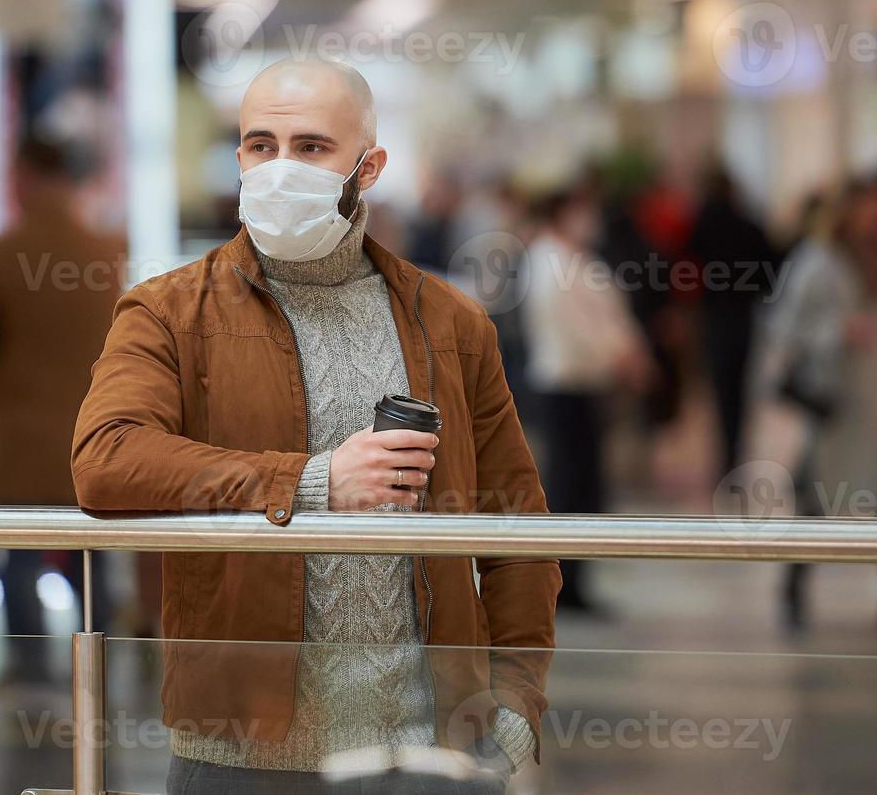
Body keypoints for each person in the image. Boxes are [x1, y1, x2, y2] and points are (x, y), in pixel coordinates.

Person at [73, 58, 559, 794]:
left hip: (426, 747)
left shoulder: (452, 324)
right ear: (238, 157)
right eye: (260, 146)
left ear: (368, 168)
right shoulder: (169, 311)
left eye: (310, 148)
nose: (279, 168)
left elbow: (518, 526)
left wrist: (518, 703)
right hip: (238, 749)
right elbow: (106, 459)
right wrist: (311, 480)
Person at [0, 139, 121, 682]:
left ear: (25, 174)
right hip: (93, 436)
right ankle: (97, 670)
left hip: (20, 438)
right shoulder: (104, 252)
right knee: (92, 558)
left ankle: (29, 670)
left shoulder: (2, 252)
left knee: (20, 560)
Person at [765, 172, 877, 628]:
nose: (876, 216)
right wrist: (837, 331)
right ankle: (794, 588)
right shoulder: (817, 261)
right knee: (818, 494)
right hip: (835, 398)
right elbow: (784, 327)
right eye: (867, 205)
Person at [521, 183, 651, 615]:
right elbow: (576, 328)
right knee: (568, 486)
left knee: (588, 487)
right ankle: (561, 583)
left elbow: (610, 314)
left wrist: (629, 351)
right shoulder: (548, 260)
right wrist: (619, 356)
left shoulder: (577, 257)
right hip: (564, 385)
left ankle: (576, 580)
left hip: (588, 385)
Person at [688, 169, 779, 479]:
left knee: (721, 387)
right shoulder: (749, 226)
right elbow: (772, 271)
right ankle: (735, 454)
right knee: (738, 389)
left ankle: (726, 455)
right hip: (742, 317)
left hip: (715, 317)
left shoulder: (701, 226)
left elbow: (684, 268)